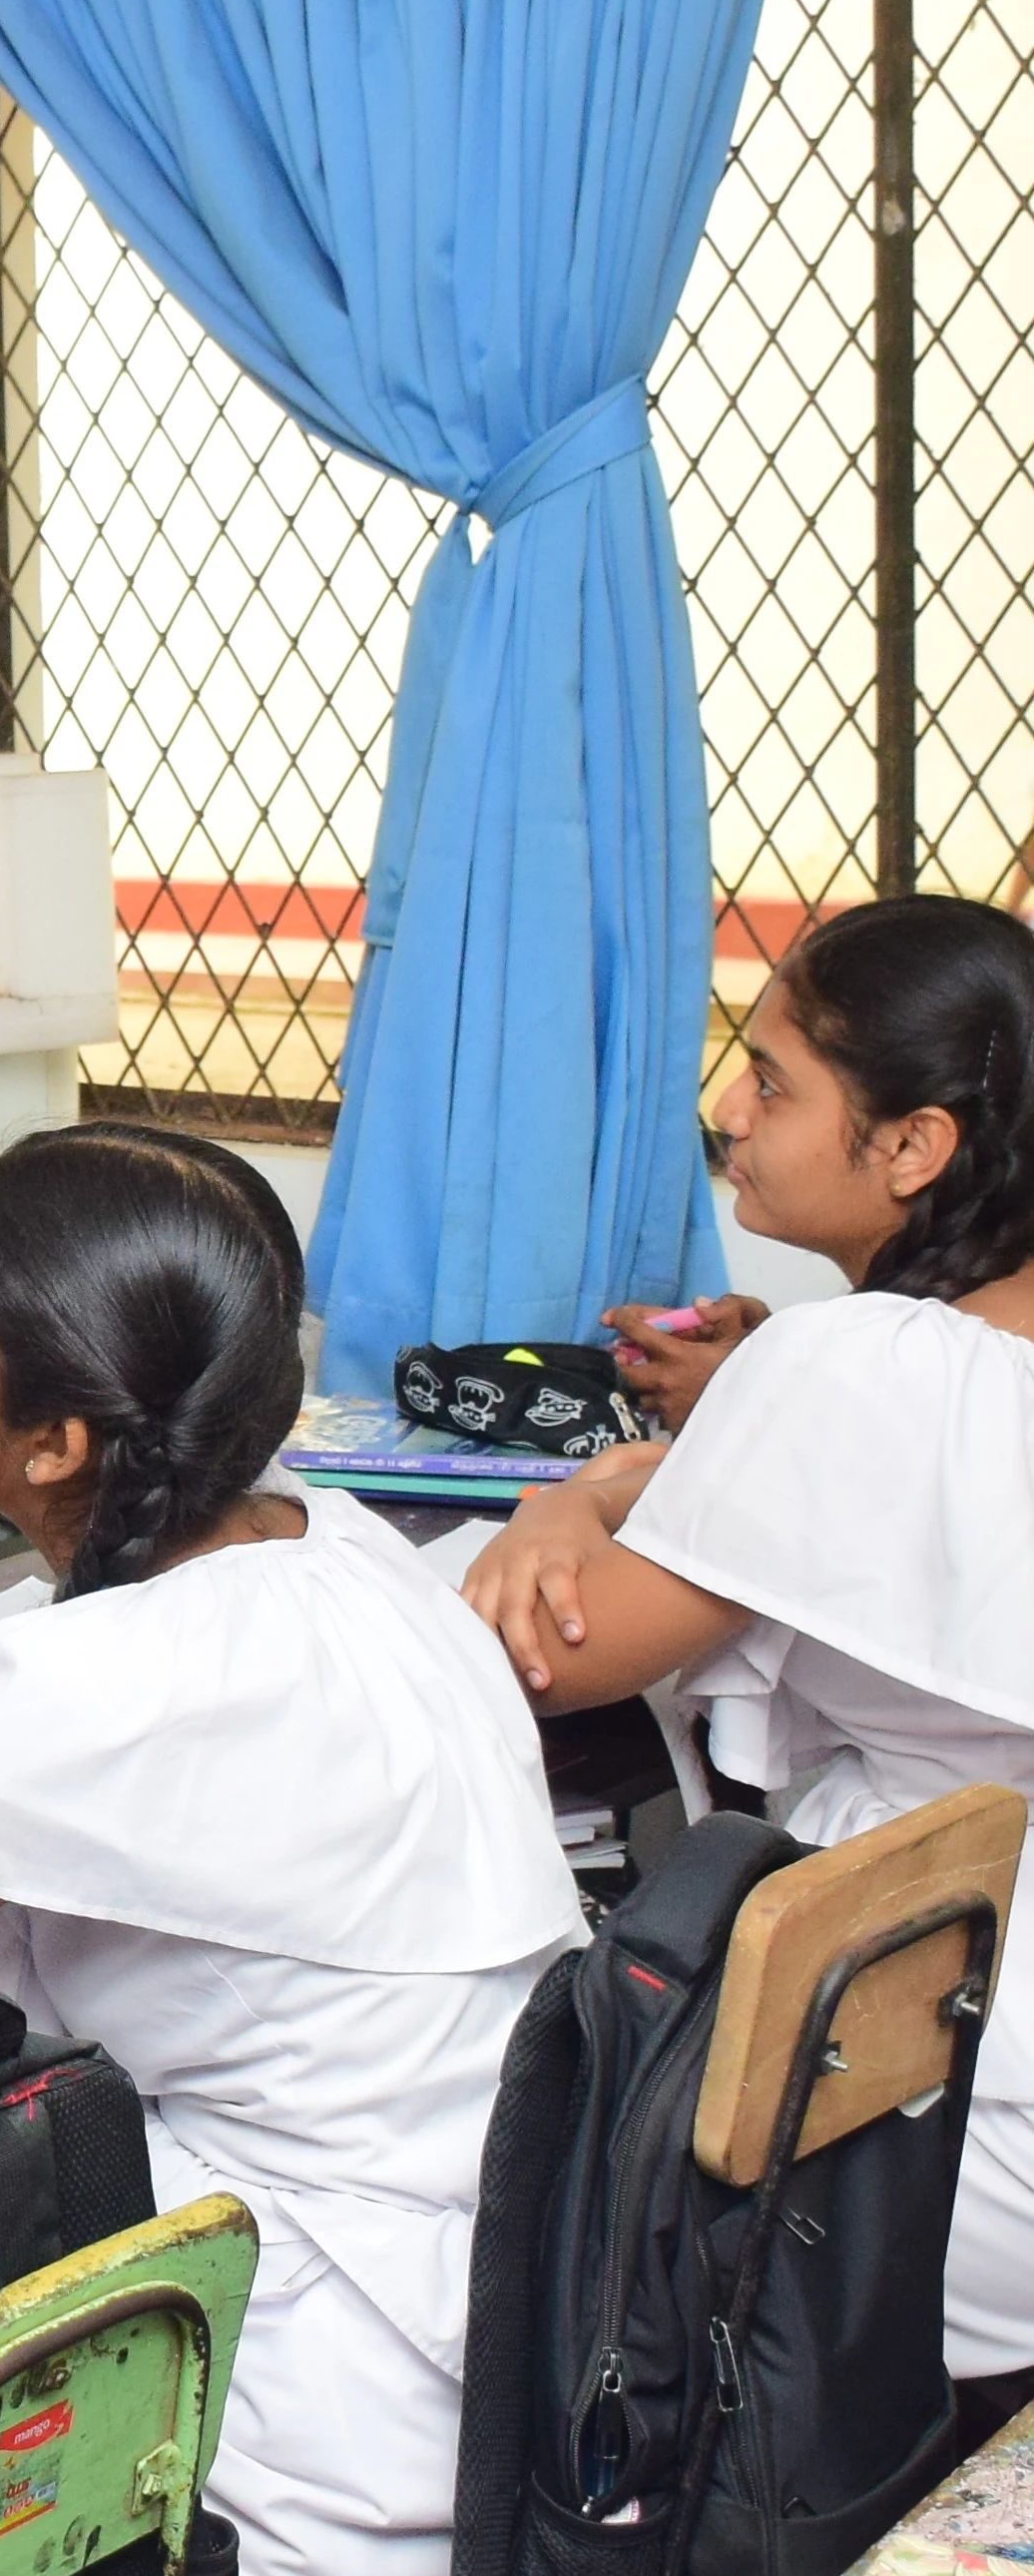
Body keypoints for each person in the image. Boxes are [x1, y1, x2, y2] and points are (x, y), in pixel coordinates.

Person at [0, 1123, 579, 2576]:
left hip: (319, 2472)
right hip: (514, 2386)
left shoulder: (95, 1686)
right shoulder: (337, 1547)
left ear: (47, 1447)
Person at [462, 896, 1034, 2401]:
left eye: (773, 1082)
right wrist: (737, 1406)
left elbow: (554, 1656)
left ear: (910, 1147)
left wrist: (567, 1497)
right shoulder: (911, 1352)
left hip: (933, 2085)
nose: (728, 1109)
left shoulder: (850, 1367)